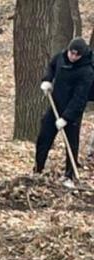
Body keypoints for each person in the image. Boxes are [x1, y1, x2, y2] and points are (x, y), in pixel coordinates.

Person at [35, 37, 94, 187]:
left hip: (72, 111)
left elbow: (80, 98)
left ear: (82, 55)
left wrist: (66, 117)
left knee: (71, 143)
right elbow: (52, 66)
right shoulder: (61, 57)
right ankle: (38, 169)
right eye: (71, 53)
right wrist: (47, 80)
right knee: (44, 137)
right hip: (56, 104)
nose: (72, 57)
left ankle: (69, 175)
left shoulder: (87, 71)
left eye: (76, 55)